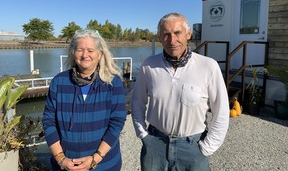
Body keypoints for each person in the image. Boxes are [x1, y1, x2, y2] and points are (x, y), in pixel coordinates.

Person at [131, 12, 229, 171]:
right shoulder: (149, 65)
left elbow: (222, 111)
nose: (172, 40)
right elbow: (137, 102)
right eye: (166, 35)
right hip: (155, 144)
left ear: (188, 34)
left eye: (177, 33)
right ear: (160, 37)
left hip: (193, 147)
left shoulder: (208, 66)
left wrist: (206, 148)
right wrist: (143, 134)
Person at [43, 29, 127, 171]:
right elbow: (48, 120)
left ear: (100, 53)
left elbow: (117, 122)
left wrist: (96, 158)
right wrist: (61, 159)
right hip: (65, 165)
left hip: (104, 165)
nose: (85, 55)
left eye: (90, 50)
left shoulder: (112, 82)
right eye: (80, 50)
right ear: (73, 52)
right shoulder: (59, 82)